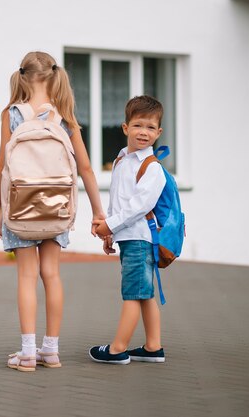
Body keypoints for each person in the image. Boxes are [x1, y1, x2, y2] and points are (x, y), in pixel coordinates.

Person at [0, 51, 105, 372]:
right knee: (51, 275)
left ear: (22, 77)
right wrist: (98, 213)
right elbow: (85, 169)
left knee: (27, 276)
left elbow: (1, 167)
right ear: (55, 76)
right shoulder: (64, 117)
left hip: (19, 207)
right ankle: (50, 351)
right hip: (57, 208)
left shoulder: (11, 114)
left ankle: (27, 353)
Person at [89, 95, 167, 364]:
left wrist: (109, 225)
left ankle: (117, 350)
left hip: (141, 238)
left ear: (158, 132)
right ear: (125, 128)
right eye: (137, 125)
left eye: (149, 127)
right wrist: (110, 232)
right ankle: (153, 347)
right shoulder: (122, 160)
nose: (143, 132)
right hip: (128, 236)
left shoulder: (152, 168)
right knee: (144, 293)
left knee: (133, 294)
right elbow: (118, 201)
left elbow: (138, 206)